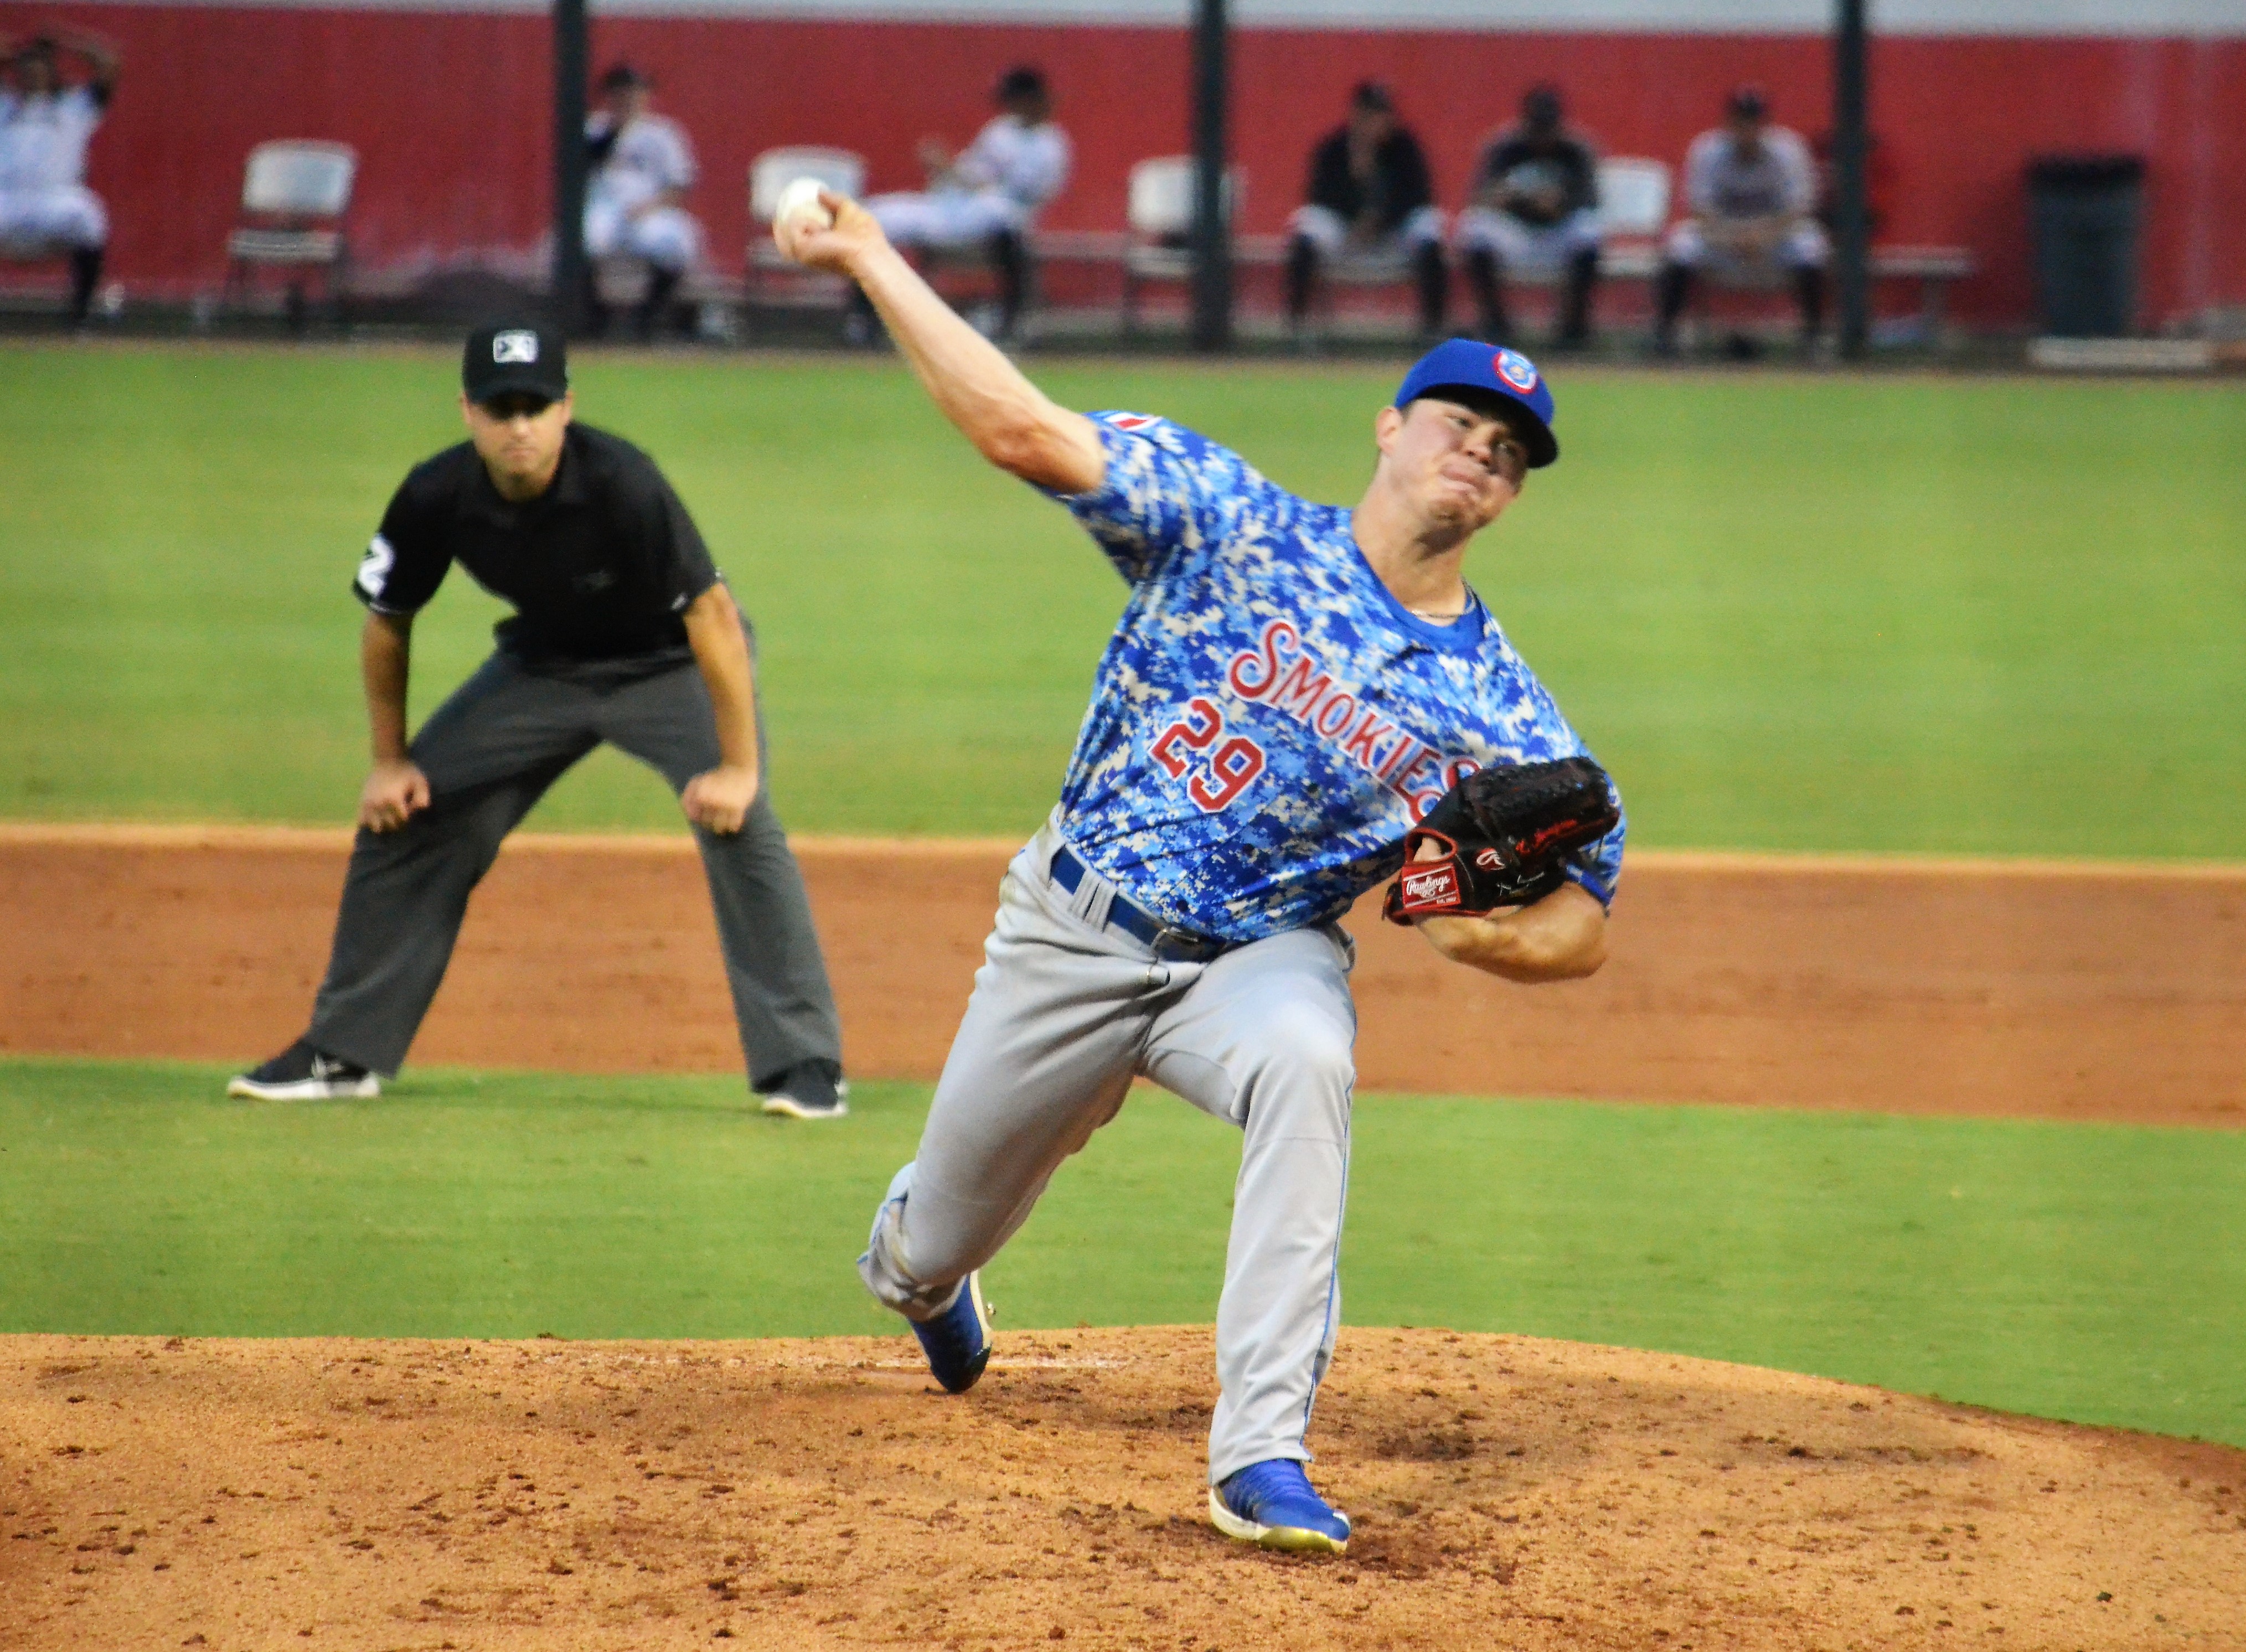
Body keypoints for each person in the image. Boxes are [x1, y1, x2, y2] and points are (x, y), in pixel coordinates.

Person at [776, 191, 1624, 1555]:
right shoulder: (1230, 519)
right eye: (1459, 422)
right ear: (1389, 427)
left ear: (1512, 495)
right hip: (1072, 929)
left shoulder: (1501, 710)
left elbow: (1588, 909)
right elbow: (1020, 429)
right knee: (926, 1247)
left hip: (1257, 962)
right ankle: (930, 1277)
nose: (1480, 452)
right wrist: (872, 255)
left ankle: (1261, 1454)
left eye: (1508, 451)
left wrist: (1490, 942)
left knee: (1310, 1061)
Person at [229, 321, 849, 1122]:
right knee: (409, 812)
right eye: (501, 408)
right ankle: (342, 1052)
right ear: (468, 411)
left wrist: (738, 770)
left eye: (535, 406)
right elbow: (387, 621)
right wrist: (389, 761)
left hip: (670, 667)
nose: (518, 426)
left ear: (566, 408)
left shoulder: (624, 481)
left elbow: (714, 616)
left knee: (741, 824)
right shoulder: (435, 494)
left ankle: (805, 1065)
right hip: (542, 669)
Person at [865, 65, 1068, 342]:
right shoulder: (1000, 131)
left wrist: (966, 179)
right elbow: (971, 173)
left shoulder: (1052, 144)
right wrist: (945, 168)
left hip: (1001, 214)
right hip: (956, 209)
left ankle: (1012, 323)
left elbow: (1025, 192)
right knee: (875, 216)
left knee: (1001, 217)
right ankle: (867, 318)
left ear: (1031, 100)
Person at [1654, 84, 1829, 357]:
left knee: (1810, 247)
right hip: (1721, 239)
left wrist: (1761, 236)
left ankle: (1813, 339)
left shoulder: (1788, 150)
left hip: (1773, 240)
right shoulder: (1708, 150)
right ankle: (1666, 336)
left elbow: (1799, 209)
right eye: (1741, 121)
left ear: (1765, 124)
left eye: (1754, 121)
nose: (1747, 128)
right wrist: (1735, 237)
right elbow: (1699, 210)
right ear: (1729, 122)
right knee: (1681, 245)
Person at [1283, 80, 1447, 340]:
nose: (1377, 122)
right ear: (1356, 115)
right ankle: (1295, 328)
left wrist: (1380, 218)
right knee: (1307, 227)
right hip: (1345, 233)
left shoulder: (1405, 147)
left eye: (1383, 114)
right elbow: (1318, 197)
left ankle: (1432, 330)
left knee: (1428, 227)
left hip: (1393, 234)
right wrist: (1354, 184)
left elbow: (1419, 197)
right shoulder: (1335, 147)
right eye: (1370, 114)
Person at [1456, 84, 1600, 349]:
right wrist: (1512, 199)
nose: (1542, 137)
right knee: (1475, 229)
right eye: (1537, 129)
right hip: (1516, 233)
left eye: (1548, 128)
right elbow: (1480, 197)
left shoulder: (1576, 149)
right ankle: (1495, 323)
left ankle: (1574, 328)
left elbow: (1591, 200)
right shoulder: (1504, 147)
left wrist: (1560, 204)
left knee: (1588, 230)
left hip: (1559, 234)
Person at [0, 27, 118, 327]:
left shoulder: (74, 106)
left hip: (56, 198)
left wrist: (63, 41)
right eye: (27, 70)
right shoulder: (5, 105)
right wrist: (13, 54)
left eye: (40, 69)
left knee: (89, 216)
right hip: (7, 197)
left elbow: (109, 65)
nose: (33, 75)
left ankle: (80, 316)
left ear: (52, 72)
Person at [582, 63, 704, 339]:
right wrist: (615, 131)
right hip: (602, 208)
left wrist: (650, 207)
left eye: (634, 92)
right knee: (585, 240)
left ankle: (648, 318)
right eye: (620, 92)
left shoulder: (662, 133)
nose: (628, 98)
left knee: (674, 244)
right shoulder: (594, 129)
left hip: (651, 208)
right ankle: (593, 318)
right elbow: (578, 173)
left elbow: (680, 184)